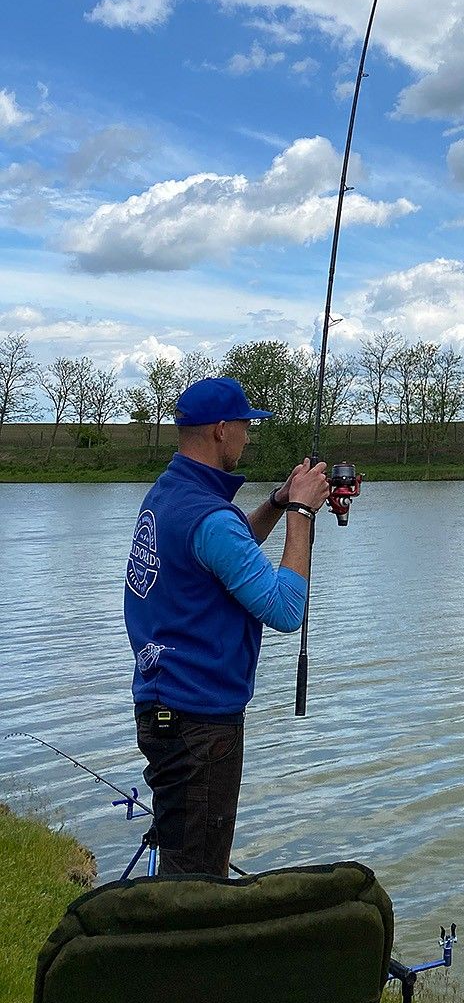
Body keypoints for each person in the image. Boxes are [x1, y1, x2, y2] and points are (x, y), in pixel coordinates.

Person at [123, 376, 330, 877]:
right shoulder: (209, 518)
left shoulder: (168, 496)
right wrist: (302, 512)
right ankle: (178, 953)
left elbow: (226, 555)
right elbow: (284, 609)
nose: (249, 437)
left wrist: (277, 503)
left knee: (183, 861)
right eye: (245, 426)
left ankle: (163, 942)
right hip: (201, 728)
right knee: (198, 884)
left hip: (163, 710)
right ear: (221, 430)